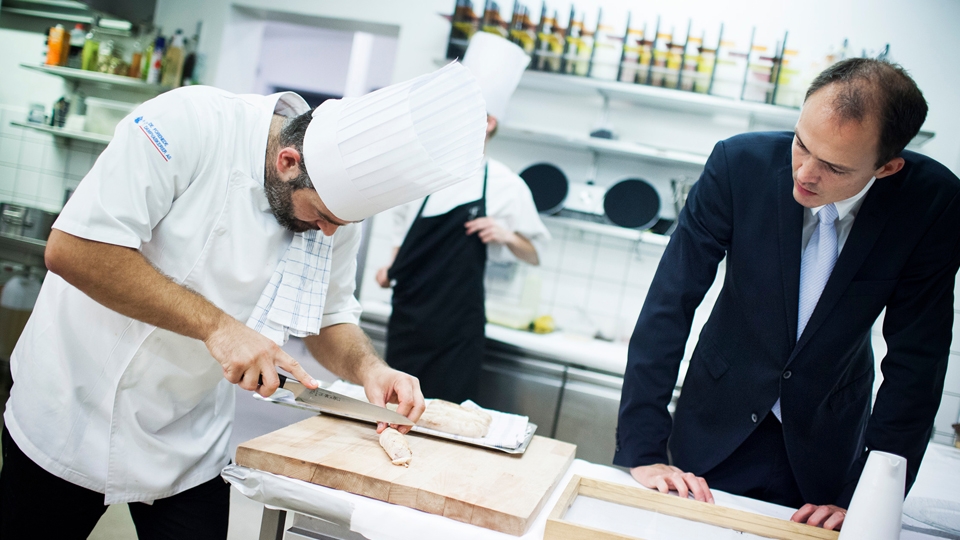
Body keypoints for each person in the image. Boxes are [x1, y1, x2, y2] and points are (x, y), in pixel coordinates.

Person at [0, 62, 488, 539]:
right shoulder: (190, 123)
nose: (328, 232)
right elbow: (73, 250)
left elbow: (329, 314)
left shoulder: (332, 213)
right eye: (320, 216)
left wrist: (369, 371)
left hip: (187, 436)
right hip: (71, 406)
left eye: (341, 223)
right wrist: (219, 327)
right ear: (288, 162)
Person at [615, 57, 960, 530]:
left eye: (834, 166)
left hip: (827, 446)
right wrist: (644, 449)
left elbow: (917, 361)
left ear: (887, 167)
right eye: (801, 144)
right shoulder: (739, 166)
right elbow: (670, 303)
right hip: (713, 426)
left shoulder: (932, 204)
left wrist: (868, 490)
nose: (805, 173)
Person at [375, 33, 550, 403]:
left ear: (488, 122)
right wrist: (389, 268)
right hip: (407, 323)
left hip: (457, 335)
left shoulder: (505, 184)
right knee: (392, 415)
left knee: (447, 425)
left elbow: (534, 253)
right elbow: (399, 238)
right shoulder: (420, 174)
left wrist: (507, 236)